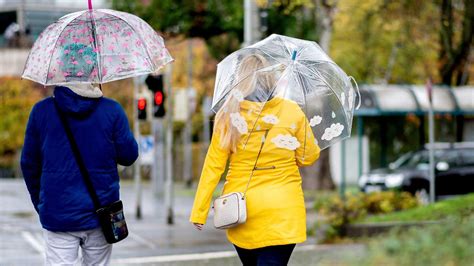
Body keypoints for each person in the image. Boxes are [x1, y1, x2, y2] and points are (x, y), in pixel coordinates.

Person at [190, 54, 321, 265]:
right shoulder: (291, 111)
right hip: (283, 211)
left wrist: (200, 211)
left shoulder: (228, 115)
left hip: (242, 210)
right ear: (271, 79)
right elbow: (309, 157)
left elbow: (213, 166)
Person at [21, 42, 138, 266]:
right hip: (100, 212)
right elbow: (129, 155)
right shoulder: (112, 110)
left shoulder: (41, 111)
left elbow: (29, 164)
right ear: (93, 70)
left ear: (61, 71)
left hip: (58, 213)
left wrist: (43, 203)